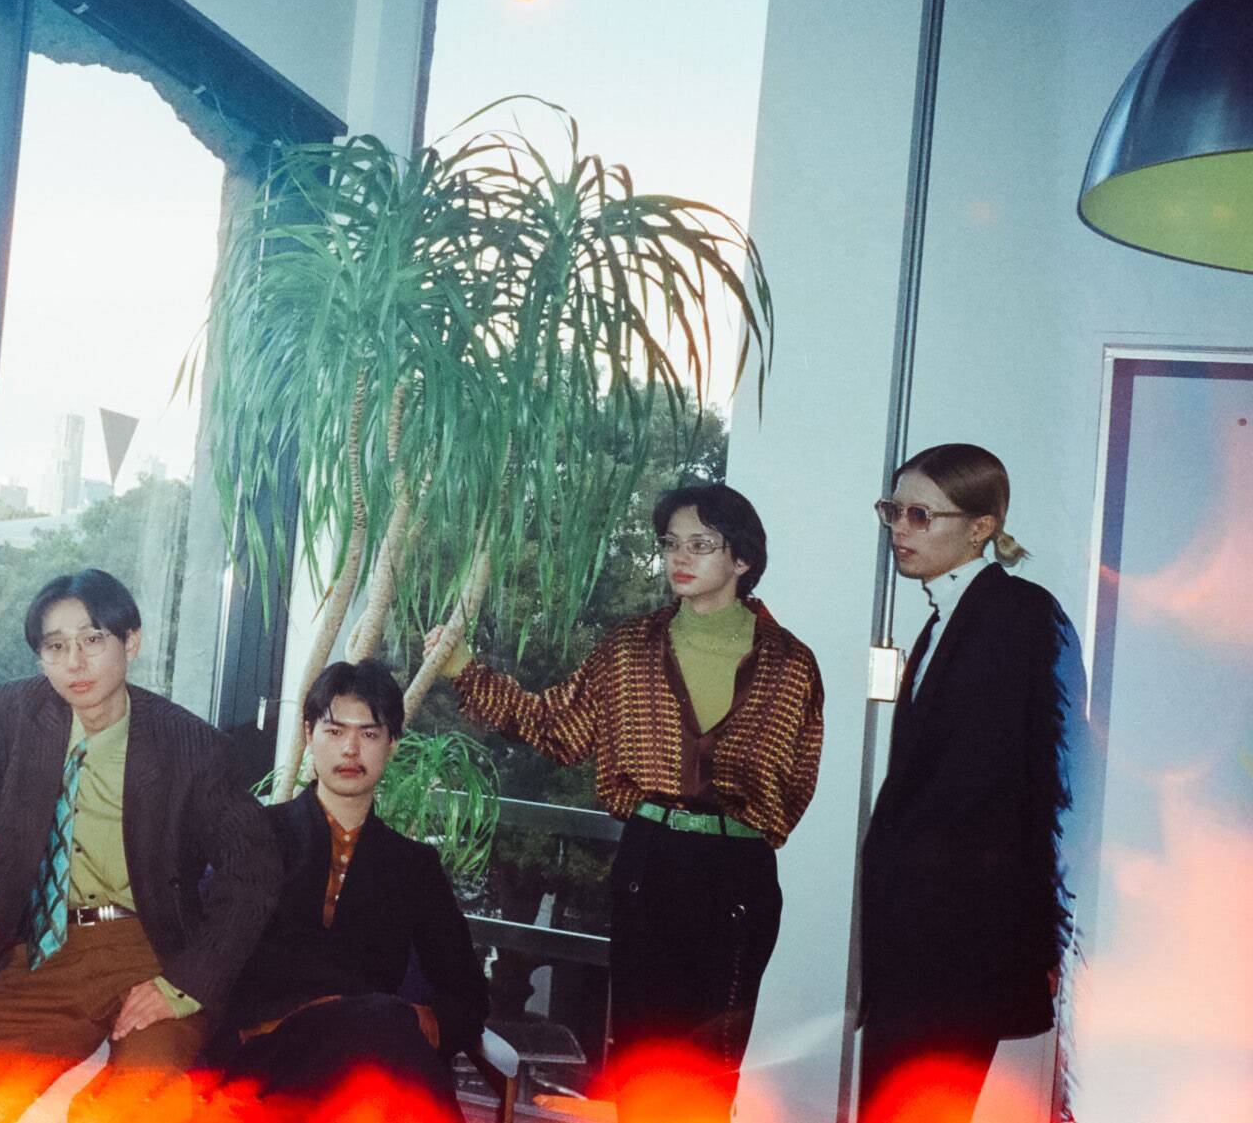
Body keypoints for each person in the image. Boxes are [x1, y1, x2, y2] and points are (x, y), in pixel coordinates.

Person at [424, 483, 825, 1118]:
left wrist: (735, 829)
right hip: (650, 861)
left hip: (738, 878)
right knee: (642, 1055)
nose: (679, 557)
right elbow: (559, 726)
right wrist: (465, 671)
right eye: (670, 543)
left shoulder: (790, 663)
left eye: (701, 544)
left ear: (743, 559)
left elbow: (798, 777)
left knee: (713, 1062)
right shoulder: (629, 648)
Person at [0, 568, 280, 1119]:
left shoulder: (191, 745)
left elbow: (254, 870)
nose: (74, 663)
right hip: (46, 951)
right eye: (55, 646)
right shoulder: (12, 714)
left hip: (151, 948)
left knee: (137, 1104)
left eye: (92, 640)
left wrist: (184, 985)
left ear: (131, 642)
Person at [859, 444, 1079, 1122]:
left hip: (959, 942)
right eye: (894, 510)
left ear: (980, 527)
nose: (900, 528)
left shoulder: (1016, 615)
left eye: (921, 514)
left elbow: (1042, 783)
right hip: (919, 940)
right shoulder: (945, 619)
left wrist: (1044, 939)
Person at [204, 659, 489, 1120]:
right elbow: (205, 956)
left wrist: (426, 1021)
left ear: (393, 744)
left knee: (385, 1030)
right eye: (335, 731)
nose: (351, 749)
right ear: (308, 734)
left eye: (369, 734)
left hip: (369, 1056)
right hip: (267, 1054)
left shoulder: (413, 866)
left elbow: (468, 994)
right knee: (389, 1032)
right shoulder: (257, 837)